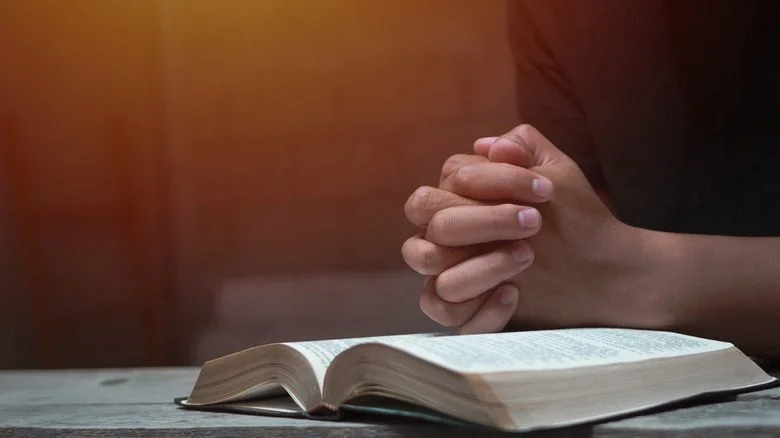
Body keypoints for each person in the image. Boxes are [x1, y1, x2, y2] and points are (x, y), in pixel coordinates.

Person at [401, 0, 780, 359]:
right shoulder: (555, 12)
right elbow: (574, 233)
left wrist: (626, 271)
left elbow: (596, 266)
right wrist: (506, 257)